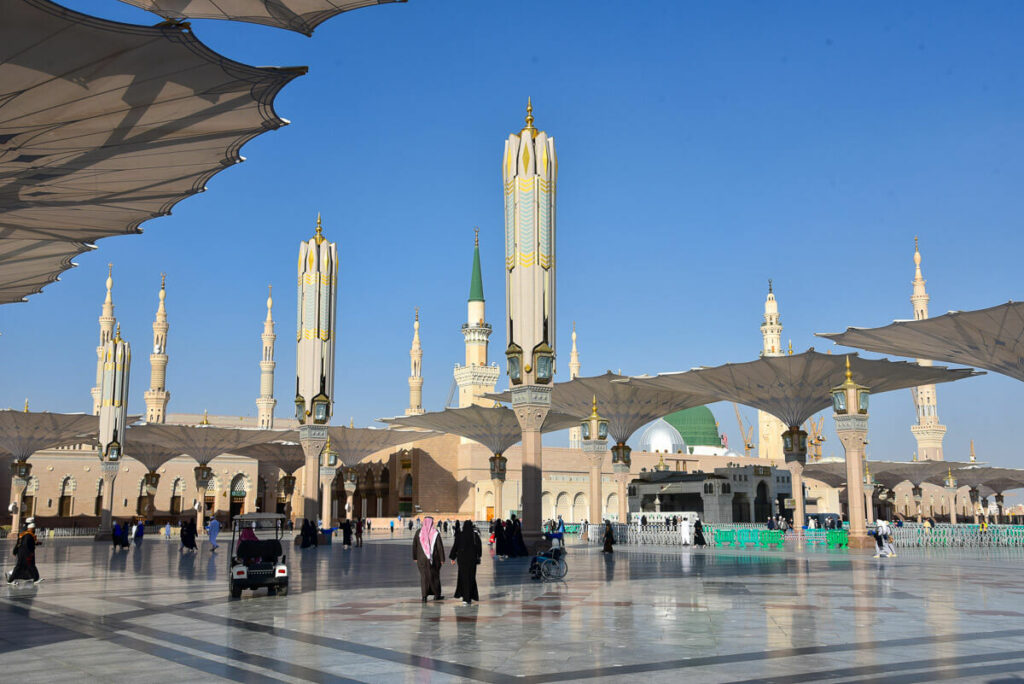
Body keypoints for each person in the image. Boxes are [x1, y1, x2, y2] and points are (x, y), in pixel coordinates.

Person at [450, 519, 482, 605]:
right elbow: (479, 547)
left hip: (462, 560)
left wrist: (453, 557)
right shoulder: (475, 535)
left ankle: (465, 598)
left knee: (464, 577)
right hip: (472, 560)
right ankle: (471, 596)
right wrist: (478, 555)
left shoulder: (460, 535)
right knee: (471, 577)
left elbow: (455, 546)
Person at [412, 516, 444, 602]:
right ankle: (437, 595)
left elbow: (414, 546)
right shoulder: (435, 533)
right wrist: (442, 558)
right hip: (433, 559)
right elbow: (439, 547)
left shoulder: (419, 532)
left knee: (424, 577)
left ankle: (424, 596)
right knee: (435, 576)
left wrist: (415, 557)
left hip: (421, 559)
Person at [6, 518, 42, 584]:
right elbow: (24, 543)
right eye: (33, 528)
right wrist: (29, 551)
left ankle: (35, 578)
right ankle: (10, 577)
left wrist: (15, 550)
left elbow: (20, 543)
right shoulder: (27, 534)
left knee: (27, 566)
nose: (34, 530)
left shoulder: (24, 532)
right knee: (23, 566)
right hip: (25, 553)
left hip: (23, 552)